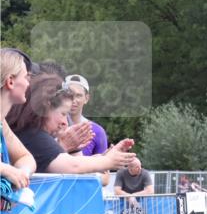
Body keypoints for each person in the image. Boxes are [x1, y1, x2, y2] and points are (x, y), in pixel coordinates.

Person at [7, 74, 136, 175]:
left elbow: (75, 164)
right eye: (63, 113)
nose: (65, 122)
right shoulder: (33, 135)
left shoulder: (26, 130)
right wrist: (108, 160)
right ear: (46, 106)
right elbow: (73, 166)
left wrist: (77, 148)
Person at [1, 48, 37, 208]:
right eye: (26, 77)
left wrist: (21, 173)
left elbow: (26, 157)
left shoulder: (2, 124)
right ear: (10, 81)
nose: (28, 84)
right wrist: (5, 169)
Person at [63, 74, 109, 156]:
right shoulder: (52, 128)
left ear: (86, 98)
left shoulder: (97, 131)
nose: (74, 100)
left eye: (79, 95)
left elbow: (103, 167)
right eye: (69, 95)